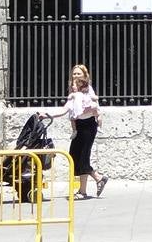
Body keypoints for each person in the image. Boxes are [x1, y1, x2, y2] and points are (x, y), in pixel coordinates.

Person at [40, 63, 108, 199]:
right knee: (74, 156)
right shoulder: (73, 92)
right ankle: (86, 189)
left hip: (89, 126)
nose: (76, 75)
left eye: (79, 73)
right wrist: (47, 114)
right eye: (74, 73)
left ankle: (97, 179)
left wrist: (89, 108)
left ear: (85, 75)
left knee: (83, 157)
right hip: (79, 126)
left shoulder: (88, 90)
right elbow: (65, 109)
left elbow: (94, 106)